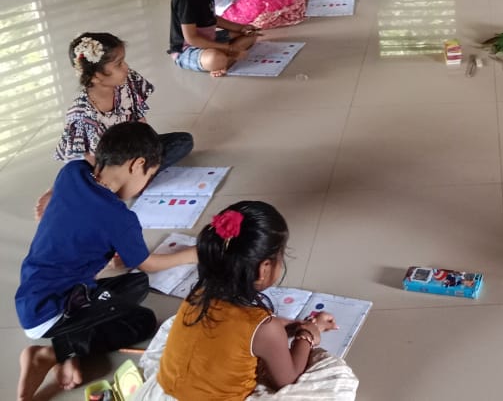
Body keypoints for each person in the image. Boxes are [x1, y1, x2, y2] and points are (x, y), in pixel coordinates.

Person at [15, 123, 198, 401]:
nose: (145, 183)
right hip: (53, 312)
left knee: (128, 283)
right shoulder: (119, 217)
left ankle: (69, 351)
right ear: (137, 165)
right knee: (141, 318)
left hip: (31, 296)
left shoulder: (71, 173)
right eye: (149, 175)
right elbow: (147, 263)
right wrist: (194, 253)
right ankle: (50, 353)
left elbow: (75, 217)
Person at [143, 201, 356, 400]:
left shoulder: (197, 296)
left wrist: (291, 325)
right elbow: (288, 379)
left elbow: (239, 330)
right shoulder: (264, 328)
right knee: (336, 375)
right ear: (263, 269)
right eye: (281, 256)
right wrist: (307, 333)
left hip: (165, 393)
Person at [36, 32, 195, 219]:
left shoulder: (127, 83)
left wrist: (146, 153)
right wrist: (124, 173)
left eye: (123, 61)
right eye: (119, 64)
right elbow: (94, 162)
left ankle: (134, 180)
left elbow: (141, 125)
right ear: (96, 76)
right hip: (103, 165)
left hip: (133, 151)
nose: (126, 68)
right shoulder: (82, 115)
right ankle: (71, 191)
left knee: (183, 141)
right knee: (92, 183)